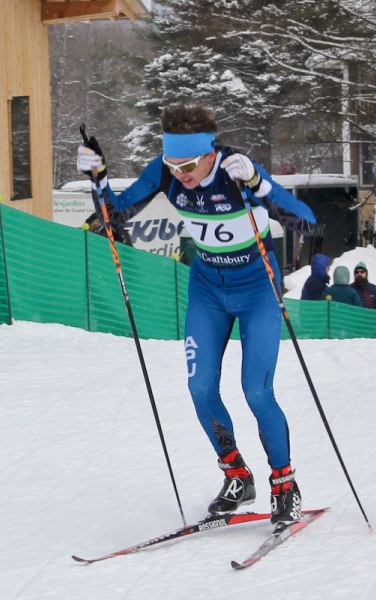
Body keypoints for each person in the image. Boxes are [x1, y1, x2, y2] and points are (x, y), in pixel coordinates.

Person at [76, 105, 318, 525]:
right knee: (200, 387)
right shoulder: (166, 171)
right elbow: (115, 215)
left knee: (256, 392)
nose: (180, 173)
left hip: (257, 288)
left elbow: (310, 225)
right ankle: (237, 475)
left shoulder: (237, 171)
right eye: (173, 163)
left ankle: (284, 481)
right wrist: (98, 177)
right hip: (207, 289)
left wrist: (260, 185)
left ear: (210, 153)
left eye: (188, 164)